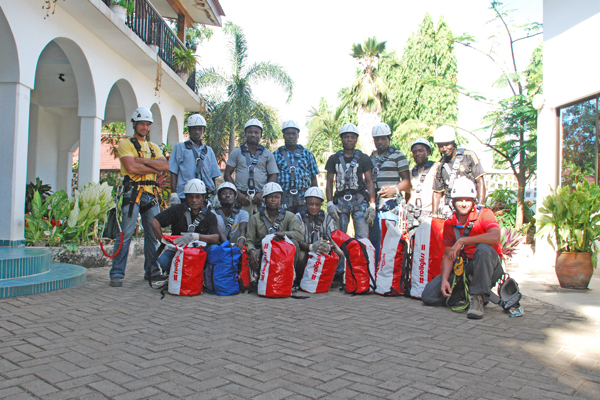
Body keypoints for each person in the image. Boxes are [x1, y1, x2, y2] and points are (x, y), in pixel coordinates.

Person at [421, 177, 503, 320]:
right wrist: (445, 279)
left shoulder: (484, 214)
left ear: (473, 201)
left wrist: (463, 241)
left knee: (483, 249)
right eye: (460, 200)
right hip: (464, 268)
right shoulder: (450, 224)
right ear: (453, 202)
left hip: (487, 267)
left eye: (468, 200)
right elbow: (447, 255)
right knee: (429, 296)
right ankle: (467, 294)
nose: (464, 204)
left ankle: (477, 297)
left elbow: (495, 237)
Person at [109, 107, 170, 287]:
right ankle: (117, 273)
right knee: (126, 233)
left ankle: (152, 271)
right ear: (134, 124)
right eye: (141, 123)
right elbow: (131, 169)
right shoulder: (126, 144)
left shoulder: (153, 147)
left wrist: (141, 160)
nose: (144, 127)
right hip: (132, 192)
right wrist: (154, 166)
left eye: (147, 124)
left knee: (152, 233)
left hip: (151, 194)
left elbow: (165, 167)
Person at [325, 123, 377, 284]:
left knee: (362, 237)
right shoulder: (334, 159)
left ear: (356, 139)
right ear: (341, 139)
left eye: (352, 137)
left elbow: (369, 182)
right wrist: (329, 203)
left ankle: (362, 271)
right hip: (340, 201)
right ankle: (339, 272)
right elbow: (329, 183)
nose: (349, 139)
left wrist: (372, 205)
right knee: (339, 238)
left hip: (359, 200)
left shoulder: (363, 158)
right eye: (346, 137)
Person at [150, 179, 220, 275]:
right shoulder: (177, 210)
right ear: (186, 197)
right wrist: (164, 241)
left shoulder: (210, 216)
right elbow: (154, 222)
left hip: (199, 252)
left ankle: (203, 276)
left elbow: (215, 238)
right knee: (164, 260)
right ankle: (175, 276)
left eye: (198, 197)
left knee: (214, 249)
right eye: (191, 197)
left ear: (204, 197)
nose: (194, 200)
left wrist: (196, 236)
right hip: (179, 251)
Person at [368, 123, 411, 263]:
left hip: (390, 204)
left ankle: (389, 272)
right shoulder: (371, 158)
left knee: (389, 239)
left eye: (383, 138)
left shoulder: (398, 155)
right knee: (374, 239)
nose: (380, 142)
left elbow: (407, 181)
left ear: (388, 138)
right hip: (374, 205)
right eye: (377, 139)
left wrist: (395, 189)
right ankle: (375, 273)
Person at [245, 182, 303, 283]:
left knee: (295, 243)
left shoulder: (289, 216)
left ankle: (291, 279)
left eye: (276, 197)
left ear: (280, 199)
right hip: (263, 252)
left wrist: (284, 234)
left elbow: (298, 235)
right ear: (265, 199)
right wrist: (251, 251)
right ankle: (259, 279)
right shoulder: (255, 218)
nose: (273, 200)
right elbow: (249, 240)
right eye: (270, 197)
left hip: (283, 252)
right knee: (250, 254)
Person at [224, 119, 279, 215]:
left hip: (260, 198)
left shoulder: (267, 154)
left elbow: (273, 175)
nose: (253, 135)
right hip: (242, 198)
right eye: (250, 132)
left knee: (260, 226)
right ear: (245, 133)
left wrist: (263, 193)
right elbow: (227, 174)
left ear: (261, 135)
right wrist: (237, 193)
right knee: (241, 225)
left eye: (256, 132)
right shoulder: (236, 153)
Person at [431, 125, 486, 217]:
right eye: (441, 146)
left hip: (470, 206)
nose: (444, 149)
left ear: (453, 143)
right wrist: (434, 215)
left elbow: (480, 181)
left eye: (447, 144)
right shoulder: (440, 166)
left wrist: (480, 206)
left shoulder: (469, 156)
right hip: (451, 209)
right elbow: (437, 192)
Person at [169, 114, 221, 206]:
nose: (197, 132)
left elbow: (213, 175)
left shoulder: (208, 151)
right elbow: (173, 172)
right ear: (189, 130)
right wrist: (174, 194)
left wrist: (215, 194)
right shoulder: (180, 148)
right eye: (194, 129)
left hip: (204, 194)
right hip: (185, 195)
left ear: (203, 131)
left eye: (200, 129)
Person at [294, 187, 341, 286]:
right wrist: (311, 247)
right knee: (297, 252)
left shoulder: (327, 218)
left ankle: (329, 277)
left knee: (339, 251)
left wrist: (328, 246)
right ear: (305, 204)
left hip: (321, 252)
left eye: (317, 204)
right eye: (311, 204)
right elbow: (296, 241)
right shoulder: (297, 218)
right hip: (305, 252)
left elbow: (334, 237)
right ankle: (298, 278)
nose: (314, 207)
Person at [273, 120, 320, 214]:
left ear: (298, 135)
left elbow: (313, 178)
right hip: (284, 199)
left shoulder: (307, 154)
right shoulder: (276, 155)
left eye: (294, 134)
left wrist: (315, 196)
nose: (291, 136)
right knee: (284, 225)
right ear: (283, 135)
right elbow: (272, 178)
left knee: (303, 225)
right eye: (288, 134)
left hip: (303, 197)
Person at [407, 138, 439, 227]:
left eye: (421, 151)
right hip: (413, 215)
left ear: (428, 152)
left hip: (430, 213)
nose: (417, 154)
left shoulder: (436, 168)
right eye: (415, 152)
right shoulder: (411, 172)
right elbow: (409, 194)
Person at [213, 182, 249, 249]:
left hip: (237, 246)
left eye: (230, 193)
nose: (227, 195)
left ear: (235, 197)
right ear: (219, 197)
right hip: (219, 247)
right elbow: (219, 233)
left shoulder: (243, 214)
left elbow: (243, 230)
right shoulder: (213, 214)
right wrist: (229, 246)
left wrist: (241, 240)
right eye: (224, 193)